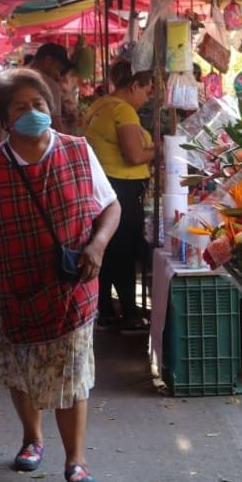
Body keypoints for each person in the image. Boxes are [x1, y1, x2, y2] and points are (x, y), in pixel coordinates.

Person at [0, 68, 120, 482]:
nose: (33, 112)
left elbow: (111, 207)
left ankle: (76, 460)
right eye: (21, 107)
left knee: (72, 373)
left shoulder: (79, 152)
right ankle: (32, 439)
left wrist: (98, 245)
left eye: (39, 104)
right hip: (12, 289)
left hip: (73, 285)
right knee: (22, 369)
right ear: (3, 119)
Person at [83, 60, 156, 334]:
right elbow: (134, 155)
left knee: (109, 249)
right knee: (124, 250)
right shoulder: (123, 110)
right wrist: (160, 148)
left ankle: (106, 310)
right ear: (134, 85)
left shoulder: (100, 105)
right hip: (120, 190)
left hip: (103, 186)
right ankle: (129, 314)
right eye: (147, 90)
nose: (146, 98)